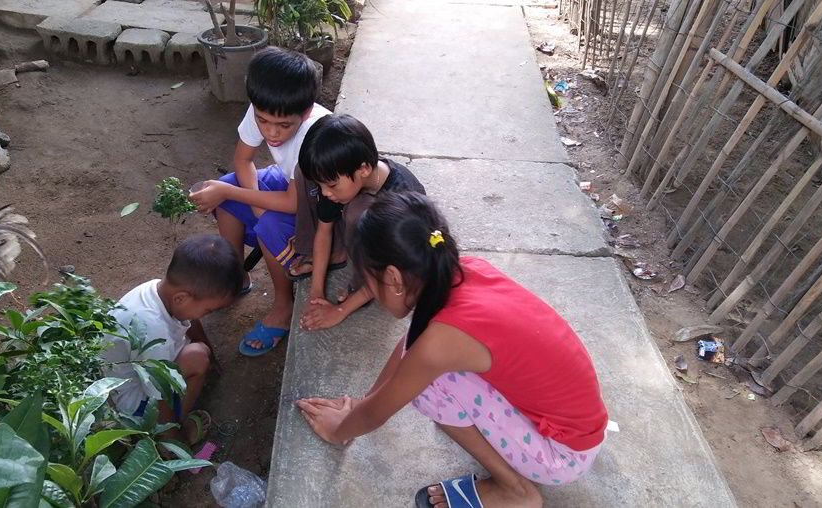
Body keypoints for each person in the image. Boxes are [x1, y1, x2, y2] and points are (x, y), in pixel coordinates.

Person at [296, 192, 608, 508]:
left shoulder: (442, 340)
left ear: (394, 278)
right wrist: (361, 403)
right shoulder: (460, 270)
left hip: (562, 454)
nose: (372, 293)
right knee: (423, 362)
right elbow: (412, 343)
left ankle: (515, 490)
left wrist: (340, 430)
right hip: (579, 425)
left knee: (429, 385)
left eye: (368, 281)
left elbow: (380, 412)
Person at [188, 46, 330, 357]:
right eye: (264, 121)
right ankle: (235, 275)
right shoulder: (262, 108)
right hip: (290, 186)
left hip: (318, 208)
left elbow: (295, 203)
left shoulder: (314, 135)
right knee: (230, 187)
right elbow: (243, 161)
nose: (272, 132)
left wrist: (236, 196)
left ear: (305, 113)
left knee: (263, 220)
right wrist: (250, 201)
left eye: (284, 126)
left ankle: (283, 305)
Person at [104, 234, 244, 445]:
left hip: (132, 374)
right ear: (182, 298)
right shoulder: (153, 332)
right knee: (198, 358)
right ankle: (162, 436)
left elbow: (192, 321)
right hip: (134, 408)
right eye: (207, 310)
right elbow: (161, 395)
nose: (204, 315)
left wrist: (212, 355)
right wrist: (172, 436)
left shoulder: (158, 290)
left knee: (201, 352)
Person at [294, 113, 426, 330]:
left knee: (359, 212)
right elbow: (324, 231)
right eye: (323, 186)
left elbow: (394, 270)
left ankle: (360, 282)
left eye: (331, 185)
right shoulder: (339, 182)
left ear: (363, 169)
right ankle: (334, 254)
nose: (325, 192)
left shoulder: (401, 203)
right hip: (362, 218)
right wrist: (316, 293)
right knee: (304, 171)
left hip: (396, 250)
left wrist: (339, 311)